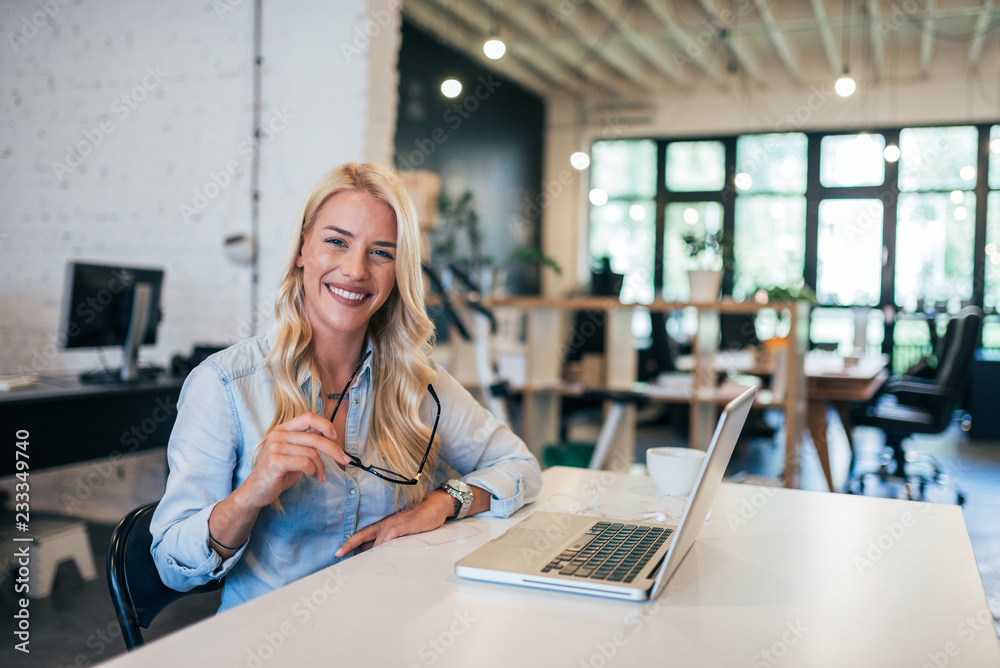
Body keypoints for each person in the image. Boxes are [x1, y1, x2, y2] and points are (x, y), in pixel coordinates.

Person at [151, 162, 542, 612]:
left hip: (388, 628)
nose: (355, 270)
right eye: (336, 242)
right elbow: (169, 563)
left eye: (381, 253)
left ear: (399, 271)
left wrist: (442, 502)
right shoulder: (223, 386)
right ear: (302, 250)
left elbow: (519, 465)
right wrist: (251, 494)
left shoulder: (421, 383)